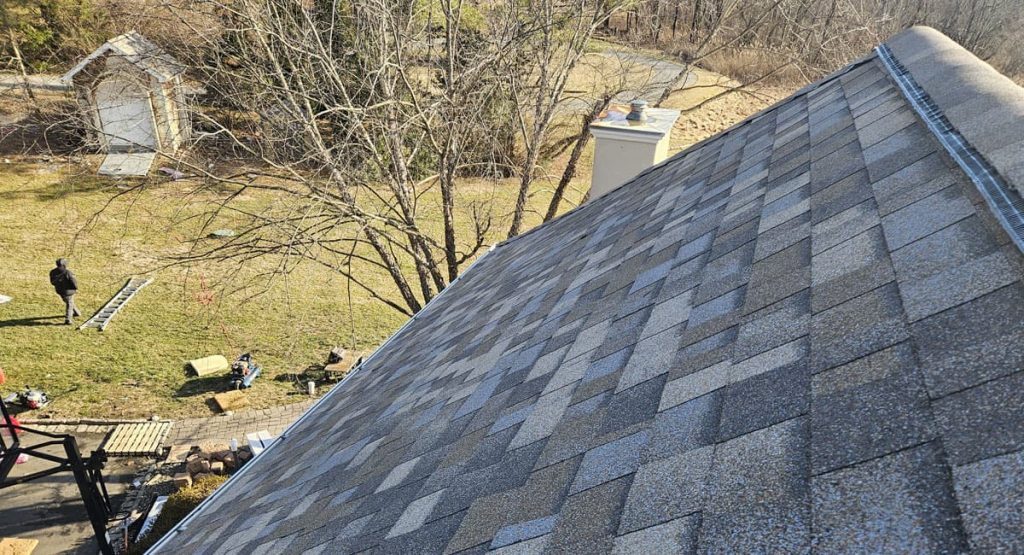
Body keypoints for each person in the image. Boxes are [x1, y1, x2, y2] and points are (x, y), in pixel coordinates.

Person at [49, 258, 81, 325]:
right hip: (69, 291)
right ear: (64, 265)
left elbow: (52, 282)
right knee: (69, 304)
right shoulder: (68, 273)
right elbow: (73, 282)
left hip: (60, 291)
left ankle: (77, 313)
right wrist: (76, 288)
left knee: (69, 302)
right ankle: (68, 319)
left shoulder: (52, 272)